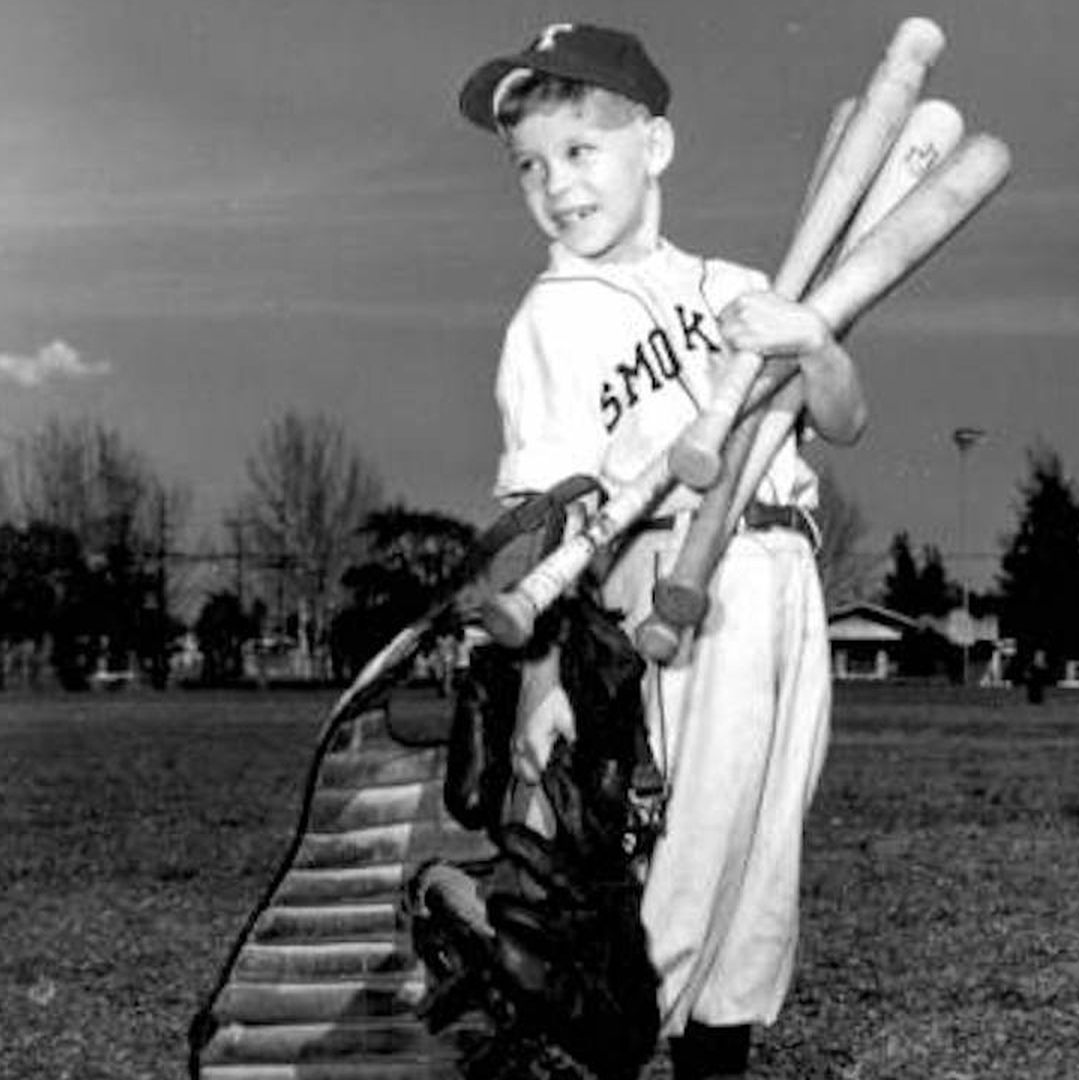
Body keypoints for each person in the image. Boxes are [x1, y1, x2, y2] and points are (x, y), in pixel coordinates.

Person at [458, 23, 867, 1079]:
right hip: (672, 586)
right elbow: (541, 509)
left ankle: (718, 1056)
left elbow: (845, 416)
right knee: (680, 857)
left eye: (582, 150)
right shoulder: (550, 317)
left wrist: (812, 338)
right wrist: (543, 684)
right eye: (532, 166)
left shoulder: (735, 283)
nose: (557, 184)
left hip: (787, 579)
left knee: (764, 849)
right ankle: (615, 1050)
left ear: (657, 147)